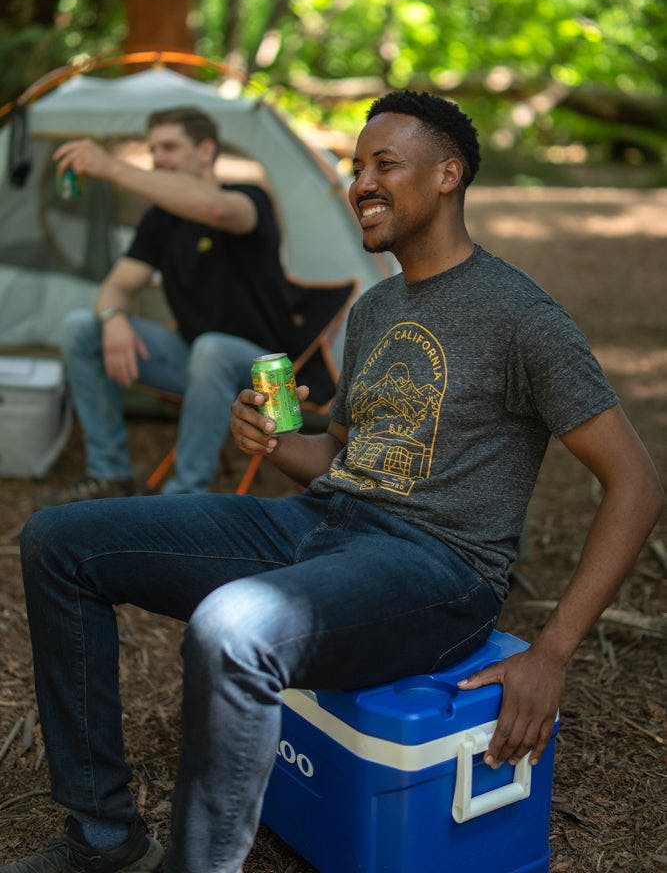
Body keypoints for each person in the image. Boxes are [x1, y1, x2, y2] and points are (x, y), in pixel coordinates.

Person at [6, 90, 662, 873]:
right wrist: (279, 444)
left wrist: (552, 654)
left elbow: (635, 485)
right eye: (356, 168)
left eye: (386, 164)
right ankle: (103, 837)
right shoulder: (377, 307)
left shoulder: (520, 314)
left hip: (436, 567)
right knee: (59, 541)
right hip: (317, 525)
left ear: (449, 174)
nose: (361, 183)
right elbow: (343, 454)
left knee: (233, 628)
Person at [40, 105, 301, 503]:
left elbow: (215, 209)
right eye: (153, 150)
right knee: (82, 327)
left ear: (206, 150)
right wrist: (112, 319)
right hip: (195, 360)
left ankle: (183, 496)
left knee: (211, 347)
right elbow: (117, 286)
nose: (157, 159)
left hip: (262, 371)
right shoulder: (161, 220)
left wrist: (112, 168)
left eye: (170, 148)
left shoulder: (249, 198)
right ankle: (108, 472)